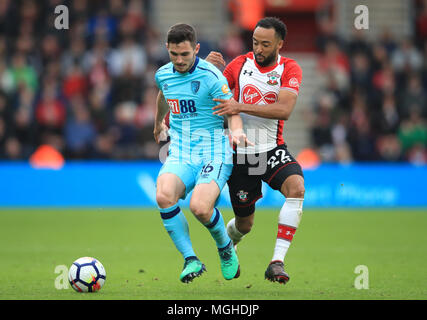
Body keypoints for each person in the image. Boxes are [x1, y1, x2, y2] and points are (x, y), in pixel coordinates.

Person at [206, 17, 305, 285]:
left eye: (265, 44)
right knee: (244, 225)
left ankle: (276, 262)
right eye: (255, 43)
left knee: (296, 187)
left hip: (272, 148)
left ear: (279, 44)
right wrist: (209, 70)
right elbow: (214, 93)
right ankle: (229, 244)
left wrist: (240, 106)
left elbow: (284, 109)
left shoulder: (289, 68)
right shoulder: (238, 65)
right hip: (242, 154)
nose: (258, 49)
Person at [153, 23, 251, 283]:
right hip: (181, 152)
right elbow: (163, 95)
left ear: (196, 49)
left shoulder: (212, 77)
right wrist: (158, 122)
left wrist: (237, 132)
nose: (180, 60)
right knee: (163, 195)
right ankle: (190, 259)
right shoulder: (163, 74)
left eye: (185, 54)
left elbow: (232, 111)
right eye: (174, 54)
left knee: (199, 207)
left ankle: (225, 248)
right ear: (167, 49)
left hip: (213, 152)